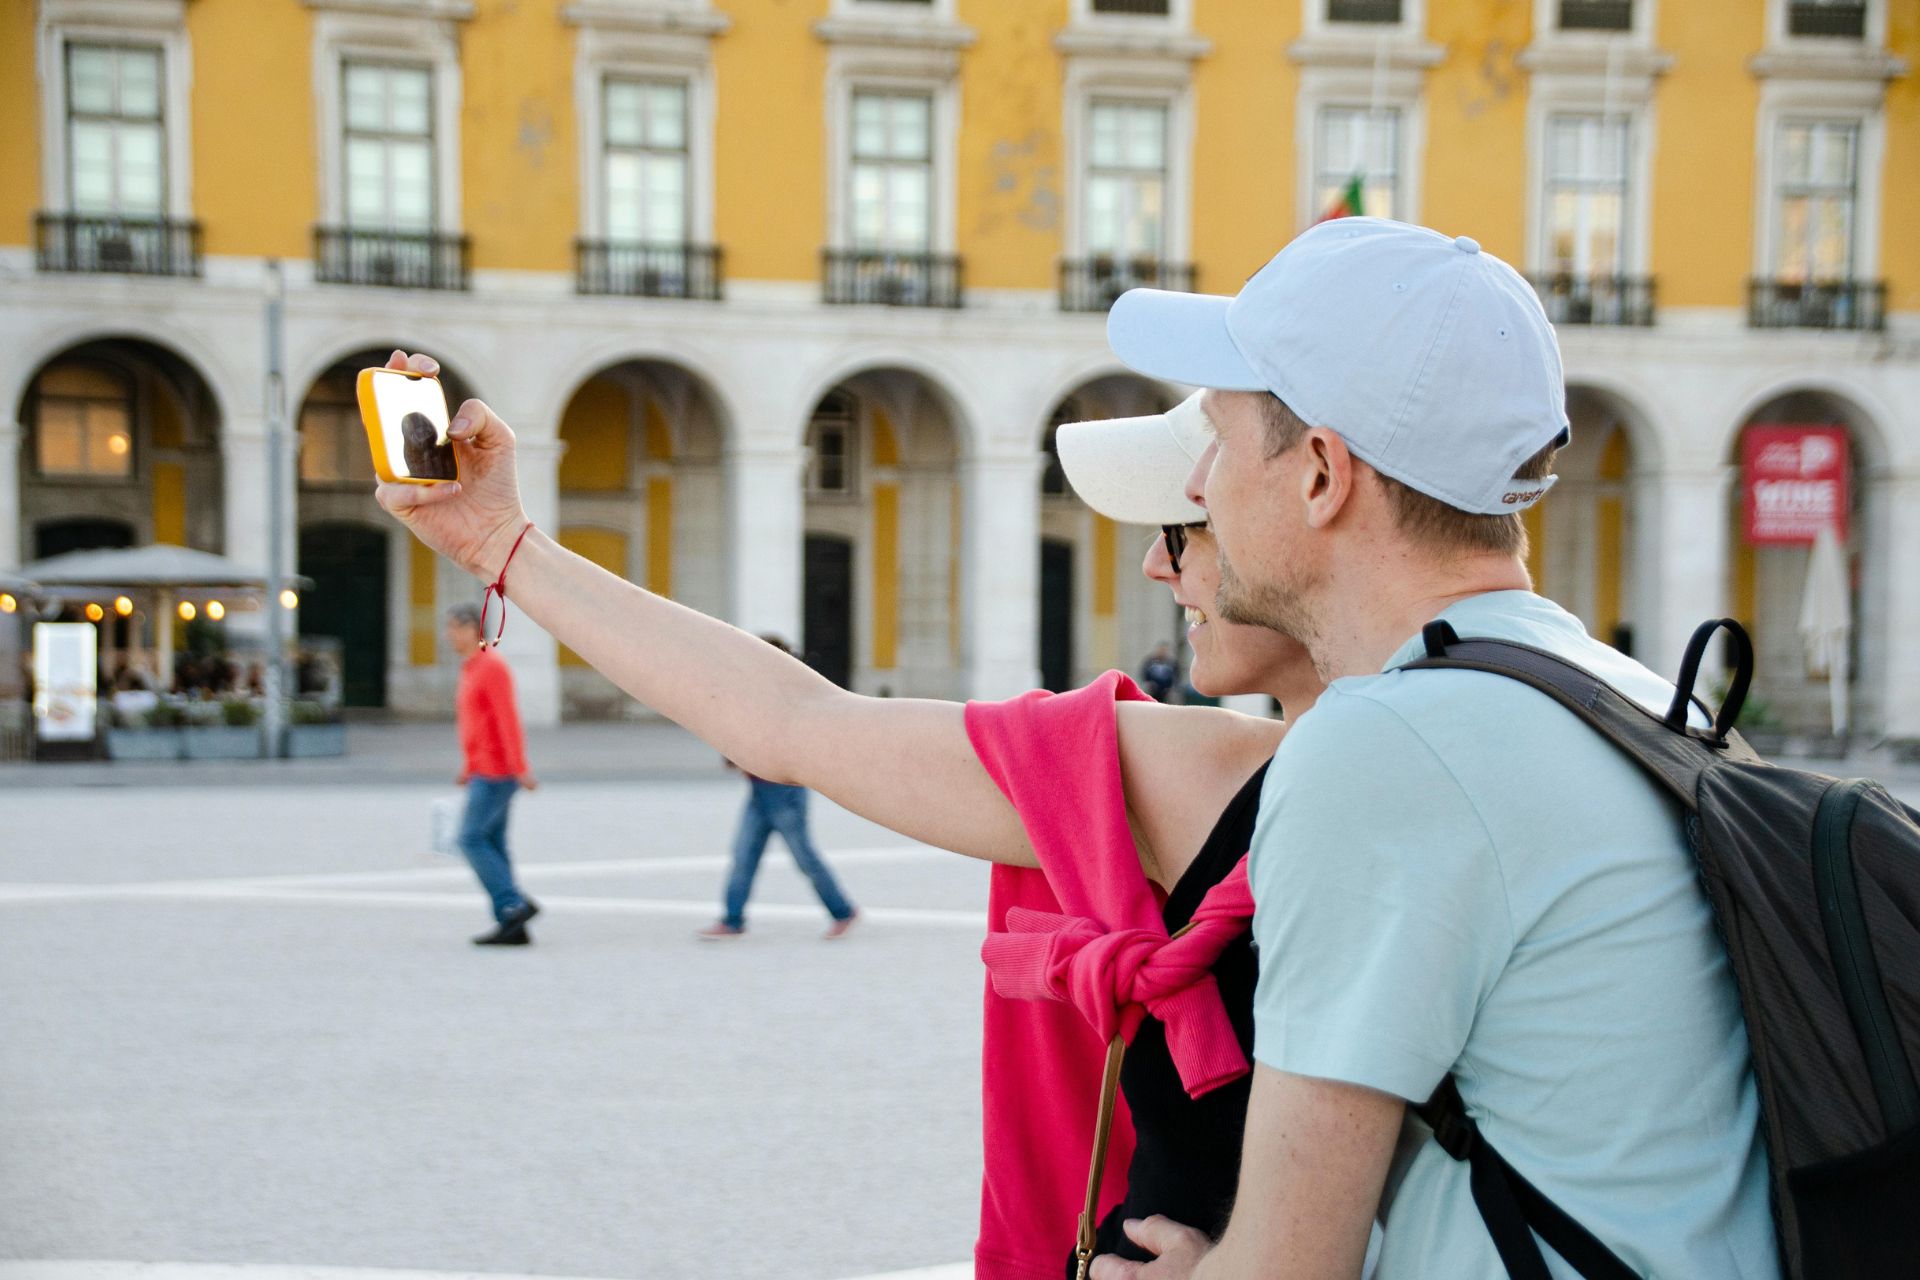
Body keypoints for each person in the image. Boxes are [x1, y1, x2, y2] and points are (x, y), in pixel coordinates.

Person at [372, 360, 1319, 1276]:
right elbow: (790, 720)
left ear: (1325, 492)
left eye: (1189, 522)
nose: (1158, 561)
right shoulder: (1224, 775)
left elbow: (793, 724)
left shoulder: (1215, 782)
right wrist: (502, 548)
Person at [1081, 218, 1776, 1278]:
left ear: (1322, 472)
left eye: (1219, 438)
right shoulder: (1621, 693)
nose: (1196, 486)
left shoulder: (1384, 748)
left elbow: (1284, 1267)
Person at [697, 635, 860, 941]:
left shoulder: (787, 695)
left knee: (803, 856)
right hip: (760, 788)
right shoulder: (756, 692)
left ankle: (842, 911)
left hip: (784, 790)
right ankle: (732, 919)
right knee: (744, 854)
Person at [445, 602, 541, 947]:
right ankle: (512, 923)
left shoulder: (491, 668)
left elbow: (507, 721)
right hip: (482, 769)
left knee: (470, 839)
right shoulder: (470, 668)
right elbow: (476, 725)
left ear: (473, 629)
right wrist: (467, 767)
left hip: (497, 770)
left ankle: (512, 904)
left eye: (454, 628)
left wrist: (520, 767)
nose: (449, 635)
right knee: (494, 843)